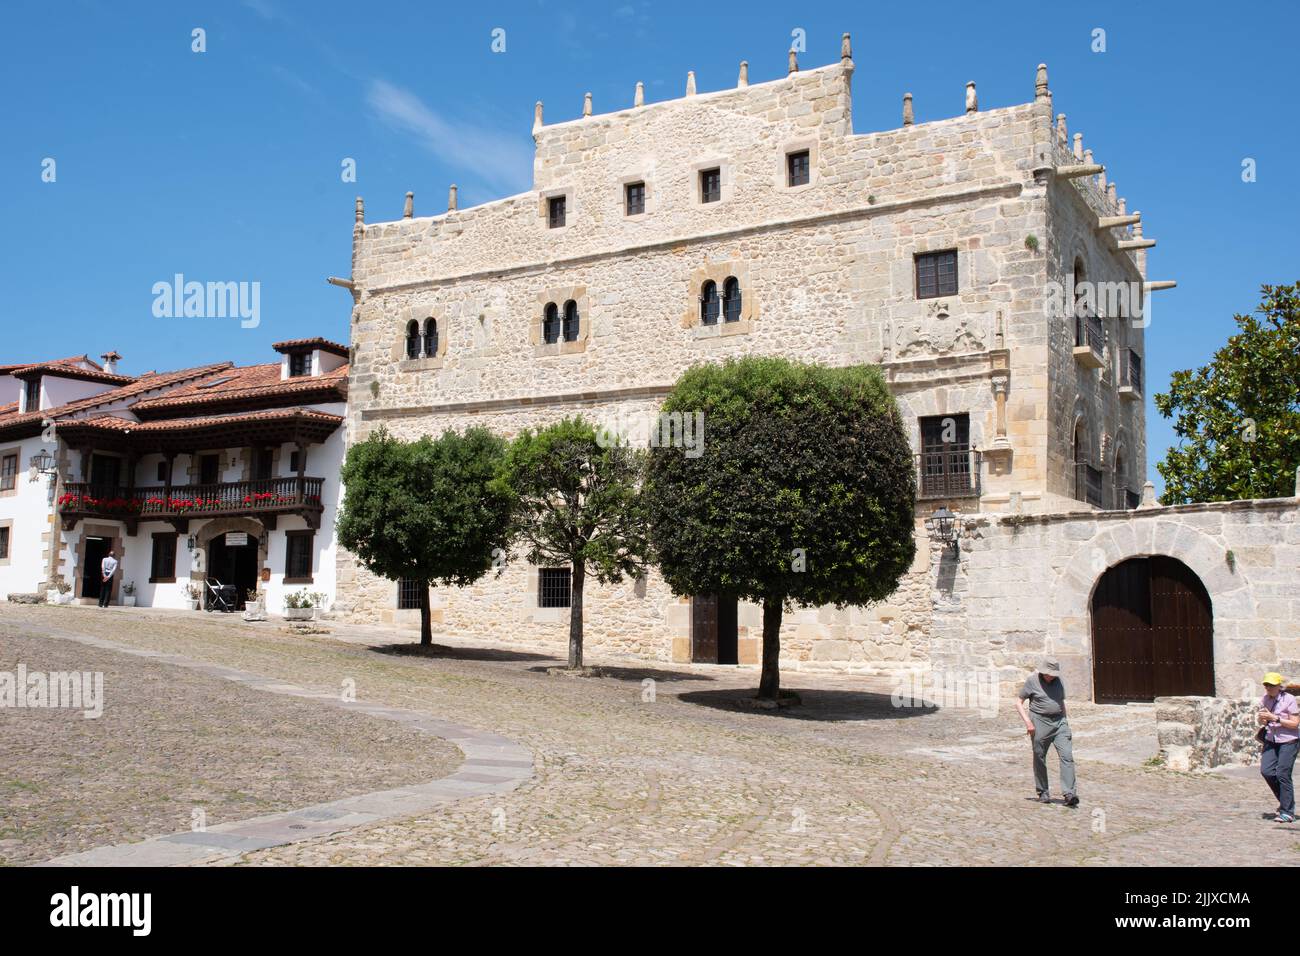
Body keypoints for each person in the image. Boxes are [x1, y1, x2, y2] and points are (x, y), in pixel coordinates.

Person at [1015, 659, 1078, 807]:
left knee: (1067, 756)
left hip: (1059, 722)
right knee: (1039, 757)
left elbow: (1061, 702)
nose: (1051, 676)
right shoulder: (1032, 681)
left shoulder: (1058, 682)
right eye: (1049, 674)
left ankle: (1069, 793)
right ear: (1043, 672)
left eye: (1053, 674)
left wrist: (1065, 721)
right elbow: (1018, 702)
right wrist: (1028, 723)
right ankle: (1043, 791)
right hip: (1040, 722)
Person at [1258, 672, 1299, 823]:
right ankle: (1285, 804)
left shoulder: (1289, 700)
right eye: (1266, 685)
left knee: (1282, 773)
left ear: (1279, 686)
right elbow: (1263, 722)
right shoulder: (1264, 699)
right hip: (1271, 739)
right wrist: (1262, 719)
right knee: (1267, 771)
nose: (1268, 688)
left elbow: (1295, 723)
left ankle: (1287, 811)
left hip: (1289, 740)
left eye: (1271, 685)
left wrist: (1275, 718)